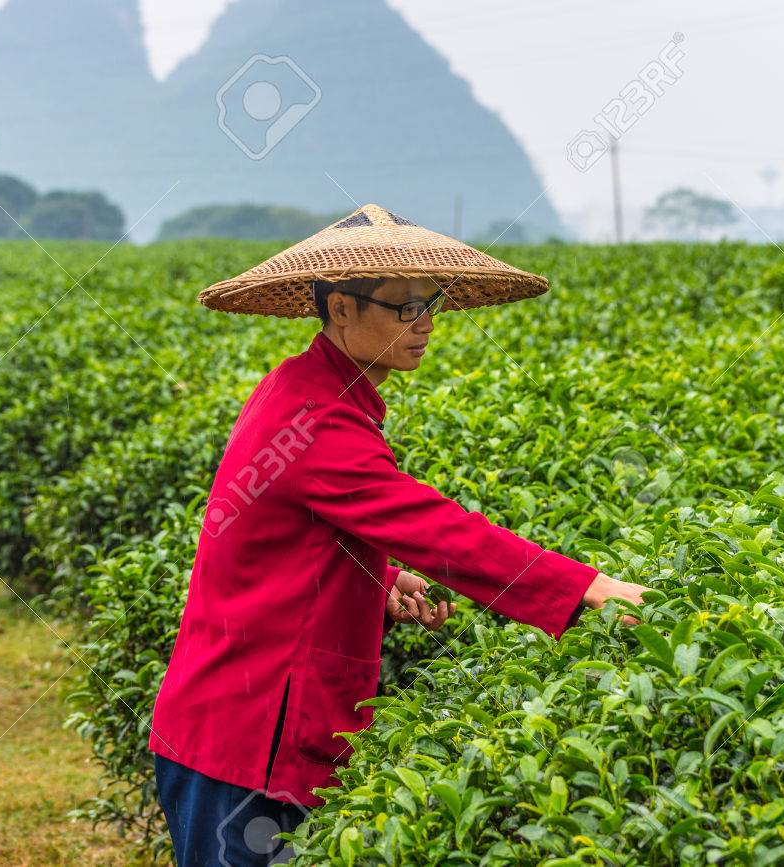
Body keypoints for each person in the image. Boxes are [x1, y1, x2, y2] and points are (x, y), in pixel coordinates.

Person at [149, 204, 649, 866]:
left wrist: (378, 580)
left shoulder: (300, 386)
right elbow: (434, 527)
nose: (427, 324)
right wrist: (587, 587)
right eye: (404, 307)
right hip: (248, 739)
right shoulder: (318, 417)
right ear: (341, 309)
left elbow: (286, 535)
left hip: (233, 720)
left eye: (430, 304)